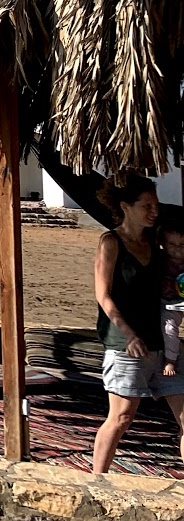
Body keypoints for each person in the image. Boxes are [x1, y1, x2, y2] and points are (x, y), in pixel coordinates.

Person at [92, 174, 184, 473]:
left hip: (162, 346)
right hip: (125, 346)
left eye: (155, 205)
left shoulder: (158, 244)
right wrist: (129, 335)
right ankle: (97, 482)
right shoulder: (111, 242)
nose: (154, 211)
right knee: (121, 418)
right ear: (125, 206)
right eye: (146, 205)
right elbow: (104, 297)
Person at [159, 218, 184, 377]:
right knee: (169, 328)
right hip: (168, 303)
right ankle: (170, 360)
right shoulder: (160, 260)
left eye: (182, 245)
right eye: (172, 244)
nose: (178, 249)